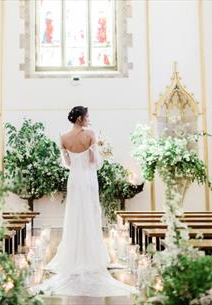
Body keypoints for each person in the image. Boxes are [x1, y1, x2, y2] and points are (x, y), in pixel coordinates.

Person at [33, 106, 136, 297]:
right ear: (80, 118)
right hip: (88, 180)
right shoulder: (90, 134)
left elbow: (67, 163)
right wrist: (94, 150)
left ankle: (74, 255)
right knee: (90, 214)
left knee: (74, 214)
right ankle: (92, 256)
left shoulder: (63, 137)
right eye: (87, 116)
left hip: (74, 180)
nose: (89, 119)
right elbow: (94, 162)